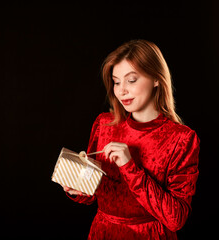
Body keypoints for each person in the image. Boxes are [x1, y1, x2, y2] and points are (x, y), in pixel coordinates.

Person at [63, 39, 200, 239]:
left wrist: (129, 166)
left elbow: (175, 219)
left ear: (156, 79)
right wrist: (78, 188)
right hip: (103, 232)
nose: (121, 90)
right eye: (116, 81)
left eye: (131, 80)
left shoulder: (181, 138)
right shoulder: (104, 124)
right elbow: (94, 192)